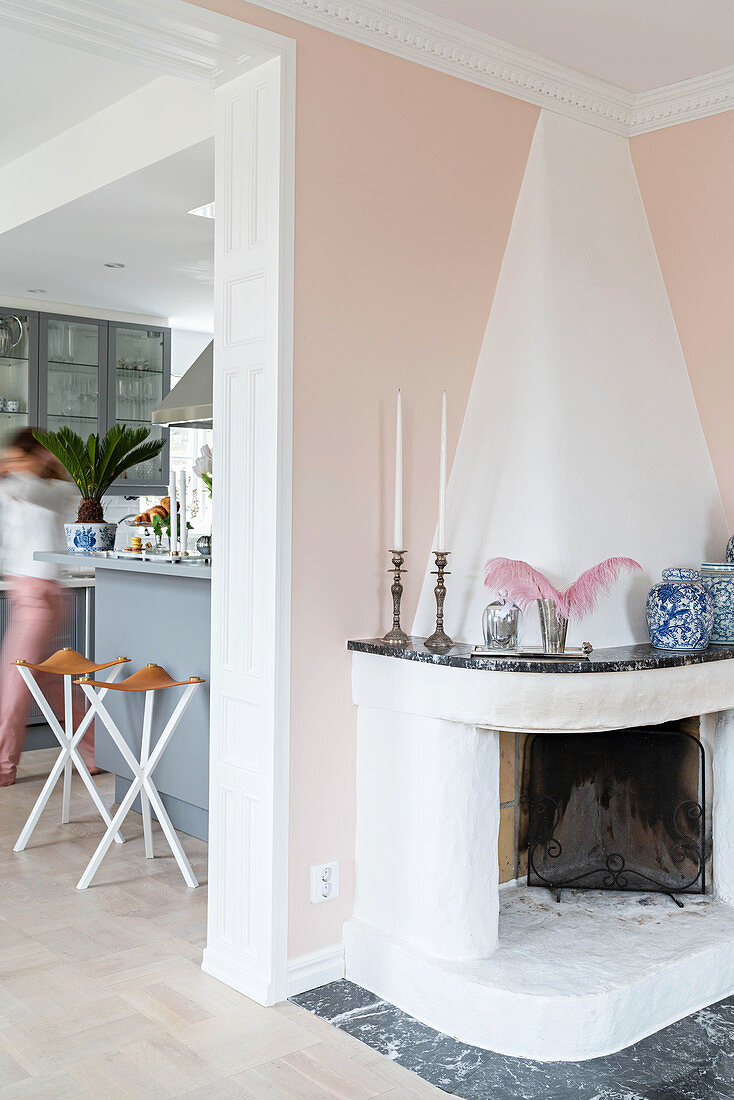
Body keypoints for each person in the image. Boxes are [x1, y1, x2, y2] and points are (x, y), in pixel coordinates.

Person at [0, 427, 92, 786]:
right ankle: (98, 749)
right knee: (51, 682)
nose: (13, 463)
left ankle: (4, 768)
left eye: (21, 456)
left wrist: (18, 467)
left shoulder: (55, 490)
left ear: (41, 456)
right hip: (27, 593)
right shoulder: (14, 486)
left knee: (15, 679)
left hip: (42, 596)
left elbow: (30, 490)